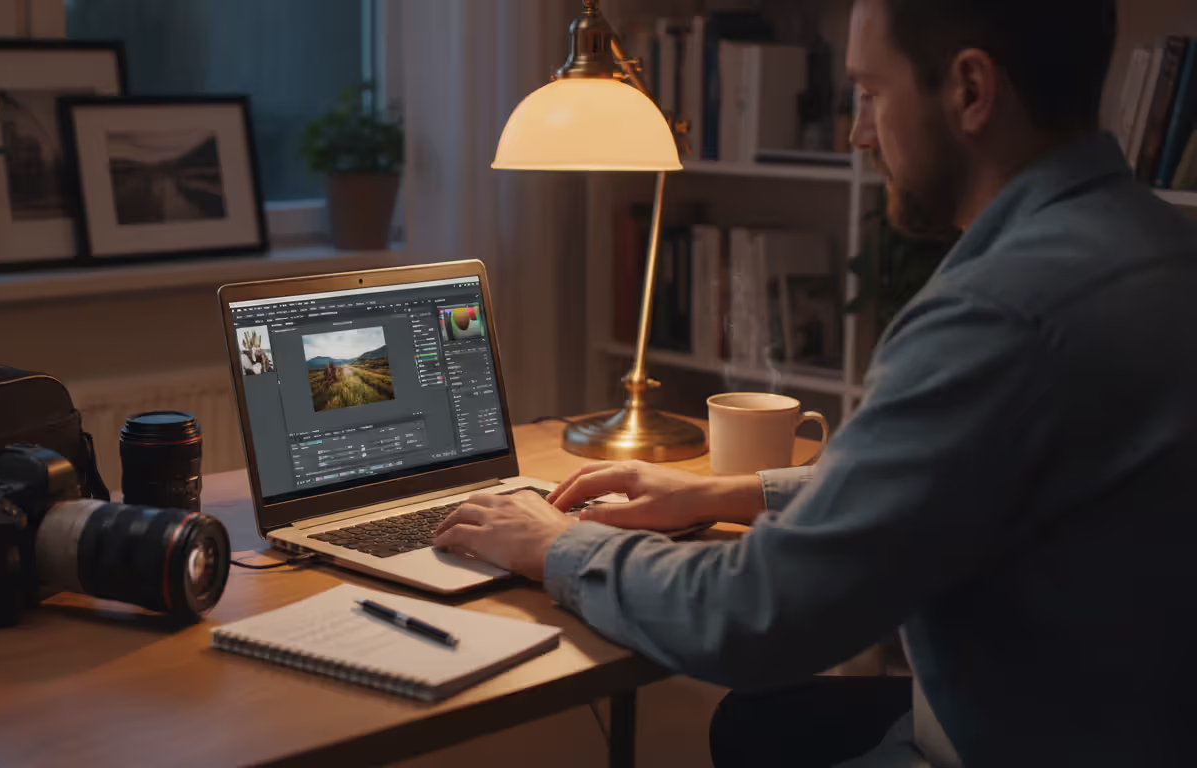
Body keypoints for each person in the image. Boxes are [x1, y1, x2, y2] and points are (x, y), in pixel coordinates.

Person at [433, 0, 1197, 764]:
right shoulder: (1158, 244)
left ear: (969, 91)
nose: (860, 134)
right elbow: (966, 473)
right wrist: (725, 493)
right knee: (756, 726)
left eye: (869, 93)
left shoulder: (996, 315)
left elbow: (756, 616)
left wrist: (554, 546)